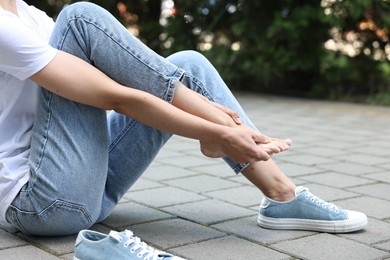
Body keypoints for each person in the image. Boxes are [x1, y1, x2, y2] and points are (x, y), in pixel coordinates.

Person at [0, 0, 367, 259]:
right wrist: (215, 128)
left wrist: (208, 119)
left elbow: (132, 81)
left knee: (187, 64)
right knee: (81, 17)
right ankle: (231, 138)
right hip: (43, 203)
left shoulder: (33, 17)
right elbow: (118, 98)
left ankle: (283, 197)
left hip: (86, 187)